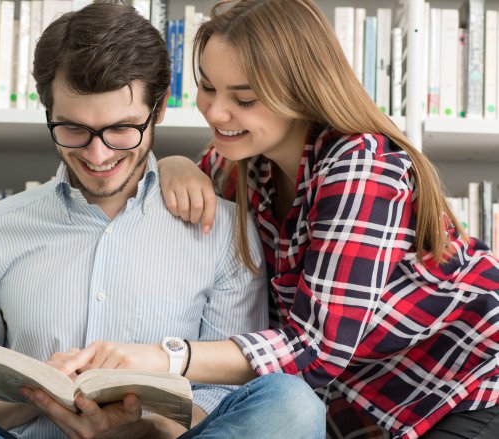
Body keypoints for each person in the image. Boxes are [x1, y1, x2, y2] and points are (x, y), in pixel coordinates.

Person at [0, 3, 325, 438]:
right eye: (74, 129)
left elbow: (227, 403)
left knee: (291, 404)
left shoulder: (224, 230)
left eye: (121, 129)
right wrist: (36, 393)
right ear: (48, 113)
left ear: (157, 110)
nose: (98, 155)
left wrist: (143, 421)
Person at [49, 1, 499, 438]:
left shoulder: (361, 165)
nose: (216, 112)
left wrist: (164, 358)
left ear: (299, 92)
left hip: (466, 380)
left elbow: (316, 348)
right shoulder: (238, 163)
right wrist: (174, 165)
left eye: (243, 98)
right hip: (366, 405)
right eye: (207, 87)